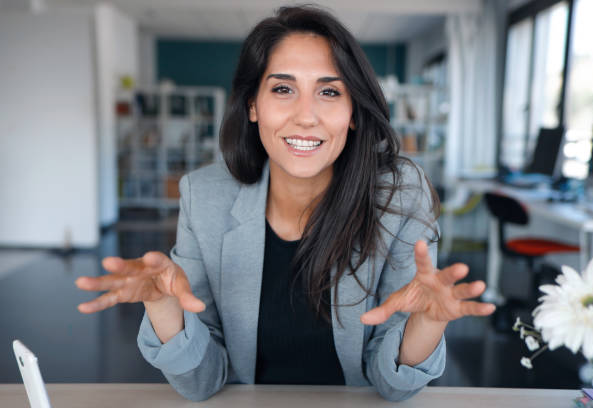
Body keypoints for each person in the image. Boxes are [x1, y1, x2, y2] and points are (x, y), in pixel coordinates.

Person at [75, 5, 496, 402]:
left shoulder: (399, 197)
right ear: (253, 105)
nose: (305, 116)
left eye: (329, 92)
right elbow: (202, 382)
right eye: (282, 89)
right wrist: (163, 306)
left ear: (353, 111)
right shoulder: (205, 196)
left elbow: (392, 387)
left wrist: (427, 323)